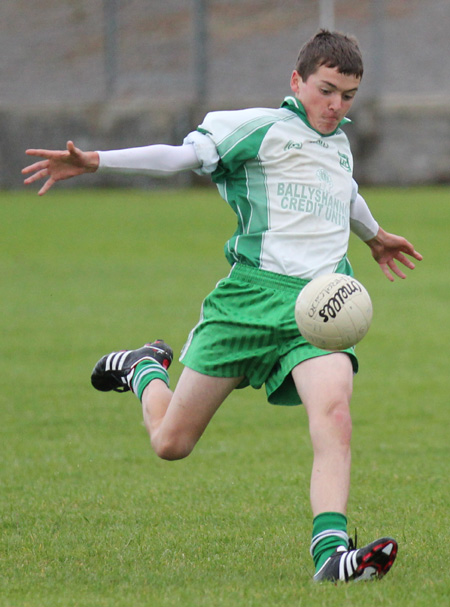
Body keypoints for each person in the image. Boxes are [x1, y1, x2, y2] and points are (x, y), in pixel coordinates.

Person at [22, 30, 422, 583]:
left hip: (320, 306)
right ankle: (142, 368)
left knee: (335, 416)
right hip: (248, 302)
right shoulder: (256, 129)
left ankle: (330, 557)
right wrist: (97, 161)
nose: (336, 106)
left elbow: (344, 191)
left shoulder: (339, 142)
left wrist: (374, 235)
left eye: (348, 96)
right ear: (296, 81)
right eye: (326, 90)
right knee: (171, 443)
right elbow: (181, 156)